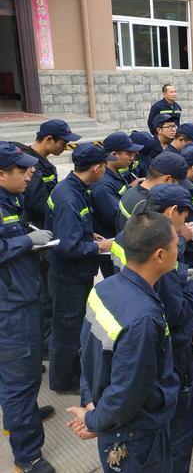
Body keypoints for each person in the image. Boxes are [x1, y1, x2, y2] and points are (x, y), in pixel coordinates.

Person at [66, 212, 180, 473]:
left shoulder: (103, 289)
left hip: (112, 423)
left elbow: (87, 352)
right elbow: (127, 393)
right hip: (137, 439)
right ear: (159, 255)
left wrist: (90, 402)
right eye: (176, 245)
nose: (179, 250)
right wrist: (93, 420)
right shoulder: (143, 319)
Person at [109, 186, 193, 473]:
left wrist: (182, 273)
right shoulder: (162, 252)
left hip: (146, 341)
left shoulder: (131, 234)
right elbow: (178, 312)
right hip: (173, 349)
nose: (186, 221)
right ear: (171, 211)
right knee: (180, 426)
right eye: (185, 214)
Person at [0, 142, 57, 473]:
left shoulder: (11, 198)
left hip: (22, 298)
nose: (29, 174)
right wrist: (25, 242)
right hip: (10, 309)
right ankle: (28, 456)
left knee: (26, 373)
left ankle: (22, 417)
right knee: (19, 381)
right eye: (22, 170)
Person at [45, 143, 115, 393]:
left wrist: (88, 235)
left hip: (76, 272)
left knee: (72, 325)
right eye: (104, 165)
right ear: (96, 168)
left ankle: (72, 372)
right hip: (68, 276)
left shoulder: (76, 188)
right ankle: (64, 382)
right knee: (67, 329)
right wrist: (99, 246)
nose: (106, 169)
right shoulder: (68, 198)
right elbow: (67, 246)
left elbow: (69, 231)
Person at [14, 119, 81, 361]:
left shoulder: (43, 164)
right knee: (43, 295)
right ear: (49, 139)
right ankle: (43, 348)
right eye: (63, 142)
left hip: (45, 235)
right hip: (38, 239)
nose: (65, 147)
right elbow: (37, 204)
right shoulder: (31, 166)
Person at [91, 132, 143, 278]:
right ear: (114, 154)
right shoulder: (103, 184)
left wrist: (130, 189)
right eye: (128, 154)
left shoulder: (115, 173)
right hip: (113, 246)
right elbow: (116, 216)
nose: (132, 158)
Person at [116, 152, 188, 232]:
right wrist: (183, 236)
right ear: (167, 179)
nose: (178, 187)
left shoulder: (131, 190)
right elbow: (152, 238)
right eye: (177, 184)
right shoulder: (148, 204)